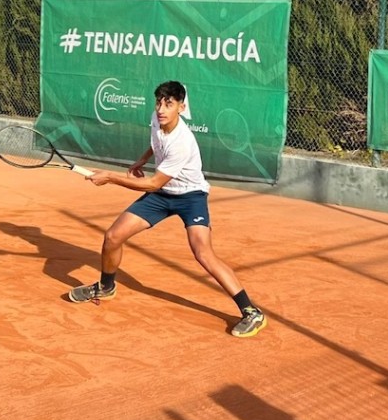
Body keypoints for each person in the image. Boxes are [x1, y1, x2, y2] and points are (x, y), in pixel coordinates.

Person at [67, 80, 267, 338]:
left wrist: (110, 176)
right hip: (163, 194)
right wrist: (142, 159)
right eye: (159, 102)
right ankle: (106, 287)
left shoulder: (182, 142)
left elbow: (151, 183)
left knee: (202, 252)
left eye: (169, 104)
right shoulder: (156, 117)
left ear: (181, 108)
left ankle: (251, 311)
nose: (161, 109)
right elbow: (156, 141)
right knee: (113, 236)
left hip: (190, 196)